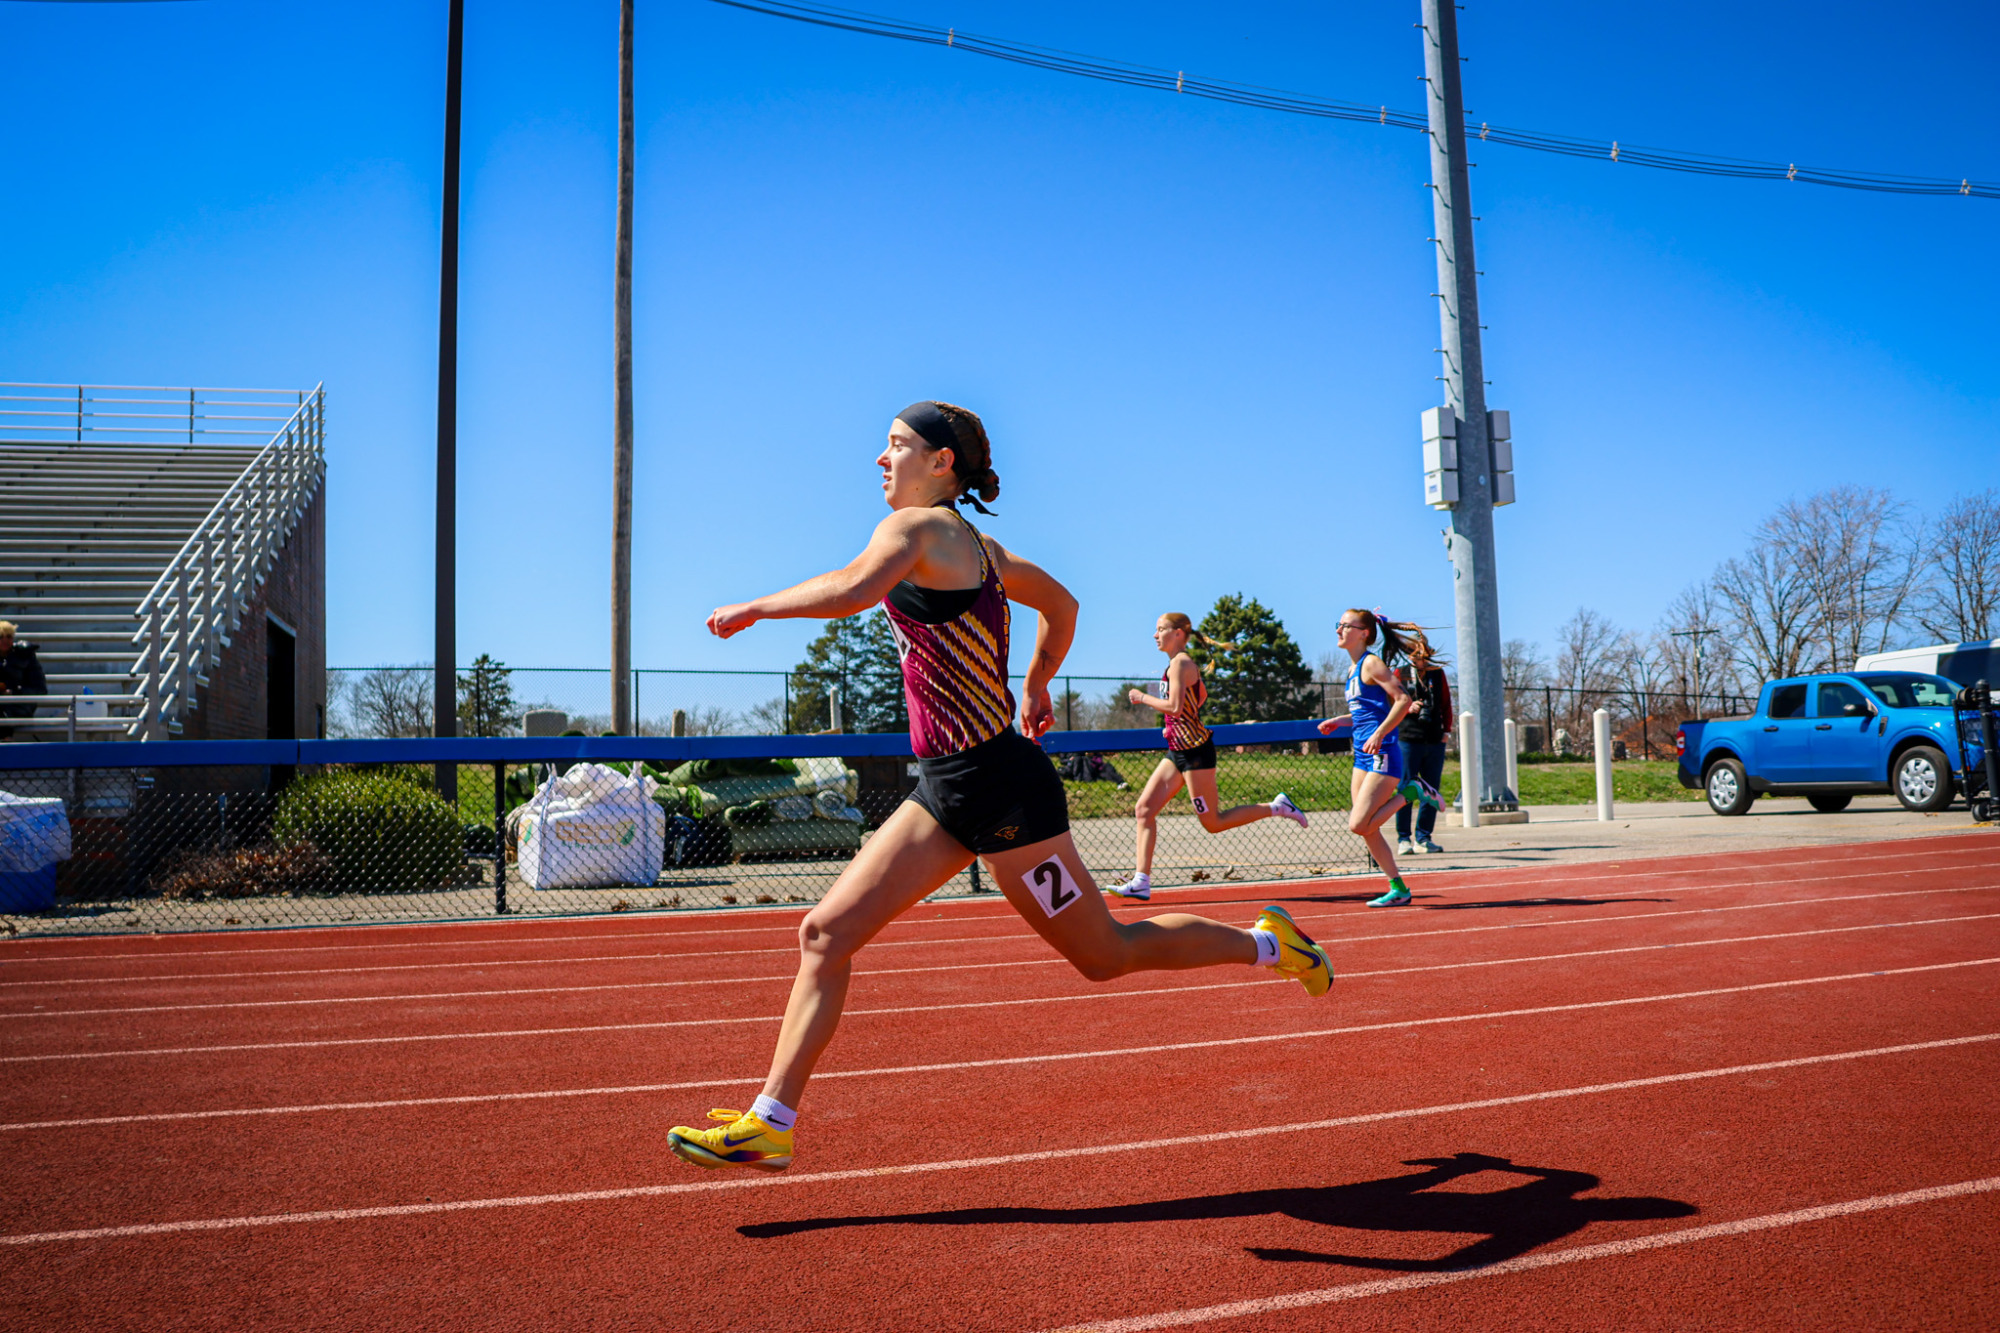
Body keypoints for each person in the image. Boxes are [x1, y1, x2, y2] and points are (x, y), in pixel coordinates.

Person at [667, 401, 1333, 1173]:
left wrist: (755, 606)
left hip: (1007, 794)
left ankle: (1267, 944)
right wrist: (1039, 684)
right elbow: (1064, 604)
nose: (880, 460)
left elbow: (853, 587)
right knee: (824, 932)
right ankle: (771, 1121)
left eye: (895, 446)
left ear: (941, 462)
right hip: (948, 789)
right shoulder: (983, 549)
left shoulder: (916, 530)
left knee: (1106, 953)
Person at [1105, 612, 1307, 902]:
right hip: (1178, 751)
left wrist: (1142, 698)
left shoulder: (1181, 663)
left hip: (1196, 754)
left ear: (1178, 633)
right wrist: (1176, 727)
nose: (1154, 635)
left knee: (1213, 823)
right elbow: (1198, 698)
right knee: (1144, 809)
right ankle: (1141, 881)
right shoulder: (1176, 665)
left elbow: (1174, 706)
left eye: (1160, 629)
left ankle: (1277, 807)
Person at [1315, 609, 1441, 908]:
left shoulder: (1371, 663)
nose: (1338, 630)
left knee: (1358, 825)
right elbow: (1367, 713)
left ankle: (1413, 791)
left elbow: (1402, 701)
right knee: (1368, 828)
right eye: (1338, 625)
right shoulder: (1353, 669)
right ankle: (1399, 888)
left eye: (1345, 626)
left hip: (1382, 753)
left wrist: (1380, 734)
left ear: (1364, 633)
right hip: (1363, 756)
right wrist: (1339, 720)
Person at [1394, 643, 1453, 856]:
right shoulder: (1399, 673)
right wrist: (1408, 707)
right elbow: (1391, 702)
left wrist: (1446, 730)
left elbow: (1446, 703)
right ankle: (1403, 839)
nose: (1420, 658)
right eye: (1416, 653)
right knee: (1406, 786)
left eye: (1424, 654)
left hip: (1434, 739)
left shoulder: (1437, 673)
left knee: (1431, 790)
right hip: (1408, 738)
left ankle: (1424, 837)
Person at [0, 621, 49, 739]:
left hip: (19, 706)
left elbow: (40, 688)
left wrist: (14, 693)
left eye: (9, 637)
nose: (5, 640)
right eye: (0, 637)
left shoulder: (25, 655)